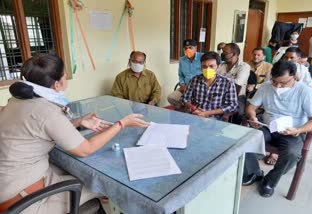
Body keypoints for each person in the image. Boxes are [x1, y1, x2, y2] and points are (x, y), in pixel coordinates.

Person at [0, 54, 149, 213]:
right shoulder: (48, 111)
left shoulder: (17, 101)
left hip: (13, 182)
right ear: (57, 84)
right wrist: (122, 123)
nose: (66, 78)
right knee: (107, 188)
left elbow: (39, 128)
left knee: (79, 173)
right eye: (65, 74)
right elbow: (86, 149)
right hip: (26, 200)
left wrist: (78, 122)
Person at [243, 60, 312, 197]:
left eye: (283, 83)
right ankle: (254, 173)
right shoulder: (266, 87)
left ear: (294, 76)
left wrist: (298, 130)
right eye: (274, 81)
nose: (278, 86)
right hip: (268, 126)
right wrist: (253, 116)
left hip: (293, 131)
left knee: (292, 153)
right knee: (245, 139)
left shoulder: (304, 91)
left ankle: (269, 181)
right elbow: (251, 107)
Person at [181, 51, 238, 118]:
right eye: (204, 66)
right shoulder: (195, 80)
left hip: (214, 118)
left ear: (218, 66)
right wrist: (194, 108)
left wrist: (207, 113)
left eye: (211, 66)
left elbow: (232, 105)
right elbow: (185, 99)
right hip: (195, 114)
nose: (207, 69)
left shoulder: (228, 83)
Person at [167, 39, 203, 109]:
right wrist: (182, 84)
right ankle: (185, 111)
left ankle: (189, 110)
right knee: (171, 98)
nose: (188, 50)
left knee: (194, 103)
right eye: (186, 48)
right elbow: (181, 75)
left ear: (196, 48)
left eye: (190, 48)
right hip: (186, 87)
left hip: (200, 88)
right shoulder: (182, 60)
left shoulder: (202, 57)